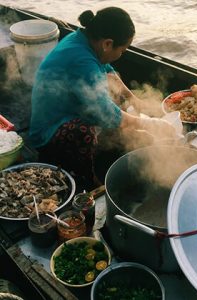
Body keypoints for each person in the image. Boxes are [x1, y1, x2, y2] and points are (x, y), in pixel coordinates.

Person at [29, 7, 176, 189]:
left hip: (71, 106)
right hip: (49, 131)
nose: (122, 55)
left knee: (114, 91)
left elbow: (108, 73)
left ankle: (119, 136)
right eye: (122, 50)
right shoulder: (81, 60)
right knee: (84, 132)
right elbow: (106, 113)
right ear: (107, 44)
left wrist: (133, 99)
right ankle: (88, 181)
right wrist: (150, 124)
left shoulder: (84, 41)